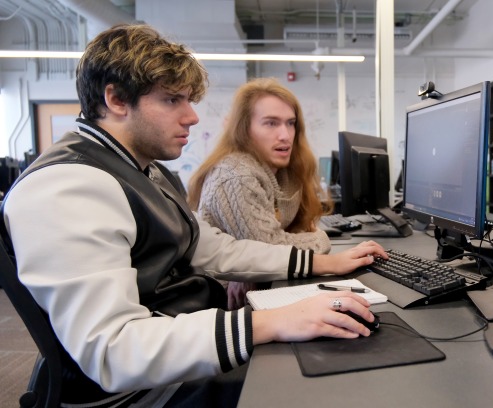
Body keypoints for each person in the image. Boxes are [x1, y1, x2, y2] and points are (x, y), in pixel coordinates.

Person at [1, 24, 386, 407]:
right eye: (172, 100)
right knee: (335, 387)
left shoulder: (143, 170)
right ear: (117, 100)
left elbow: (218, 250)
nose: (192, 116)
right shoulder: (67, 186)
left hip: (180, 349)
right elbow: (114, 352)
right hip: (141, 392)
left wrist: (323, 263)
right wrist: (272, 322)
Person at [187, 78, 331, 309]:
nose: (285, 135)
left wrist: (252, 273)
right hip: (219, 303)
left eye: (291, 123)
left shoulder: (285, 172)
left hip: (257, 290)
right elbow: (271, 247)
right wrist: (321, 238)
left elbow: (289, 235)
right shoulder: (237, 175)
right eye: (271, 123)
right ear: (244, 130)